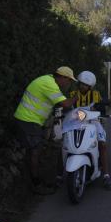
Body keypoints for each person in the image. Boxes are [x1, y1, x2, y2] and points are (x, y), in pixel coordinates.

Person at [14, 66, 78, 195]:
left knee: (32, 151)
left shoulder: (47, 80)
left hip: (29, 121)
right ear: (62, 77)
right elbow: (66, 104)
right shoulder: (49, 84)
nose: (69, 84)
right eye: (69, 80)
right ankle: (36, 185)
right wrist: (76, 97)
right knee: (35, 152)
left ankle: (32, 181)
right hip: (28, 121)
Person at [69, 71, 111, 190]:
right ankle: (59, 175)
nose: (82, 86)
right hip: (75, 122)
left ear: (90, 86)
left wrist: (104, 103)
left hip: (93, 122)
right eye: (81, 84)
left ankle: (106, 175)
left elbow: (105, 104)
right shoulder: (73, 94)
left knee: (102, 144)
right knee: (65, 144)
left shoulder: (95, 94)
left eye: (85, 84)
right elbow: (68, 107)